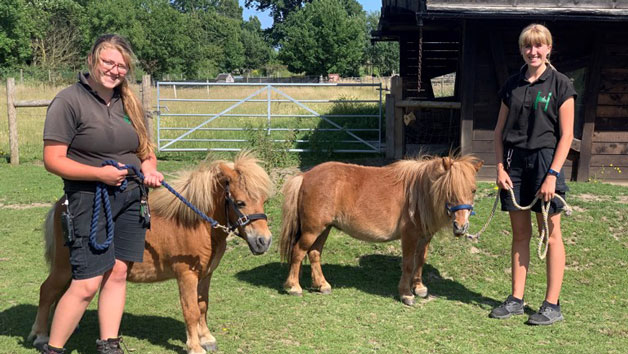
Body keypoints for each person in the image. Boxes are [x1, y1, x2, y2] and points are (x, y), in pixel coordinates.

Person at [41, 34, 163, 353]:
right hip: (89, 198)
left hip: (131, 197)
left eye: (121, 65)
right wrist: (100, 174)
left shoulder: (130, 103)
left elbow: (145, 151)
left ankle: (109, 344)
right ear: (93, 60)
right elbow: (53, 160)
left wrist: (149, 168)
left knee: (119, 272)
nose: (114, 69)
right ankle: (54, 348)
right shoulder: (68, 101)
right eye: (108, 61)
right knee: (86, 283)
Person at [491, 24, 576, 325]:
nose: (533, 51)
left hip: (545, 162)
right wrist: (500, 168)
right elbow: (498, 132)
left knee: (550, 235)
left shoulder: (561, 84)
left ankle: (552, 304)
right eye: (528, 46)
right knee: (520, 235)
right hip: (514, 163)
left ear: (549, 48)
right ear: (522, 50)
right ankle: (516, 299)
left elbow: (566, 136)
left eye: (539, 46)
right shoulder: (512, 85)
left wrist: (552, 174)